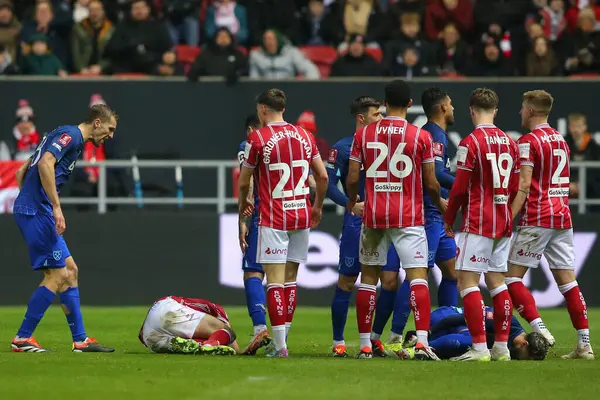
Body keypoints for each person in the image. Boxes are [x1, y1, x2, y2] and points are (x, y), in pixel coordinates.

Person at [346, 80, 445, 360]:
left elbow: (353, 177)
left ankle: (366, 344)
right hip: (408, 216)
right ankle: (423, 342)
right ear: (410, 104)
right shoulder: (420, 136)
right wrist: (439, 202)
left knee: (368, 279)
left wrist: (354, 201)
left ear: (384, 104)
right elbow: (431, 182)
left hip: (374, 213)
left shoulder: (364, 134)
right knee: (417, 277)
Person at [11, 104, 117, 353]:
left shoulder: (64, 135)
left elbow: (20, 171)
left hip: (36, 209)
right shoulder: (70, 137)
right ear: (98, 123)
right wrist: (52, 207)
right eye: (110, 129)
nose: (111, 135)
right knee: (57, 275)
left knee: (70, 271)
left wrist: (29, 199)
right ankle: (22, 338)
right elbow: (44, 164)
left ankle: (80, 340)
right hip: (38, 211)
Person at [238, 89, 328, 358]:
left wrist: (244, 204)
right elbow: (322, 177)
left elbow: (244, 181)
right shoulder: (305, 136)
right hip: (300, 213)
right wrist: (318, 206)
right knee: (291, 281)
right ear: (284, 109)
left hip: (273, 217)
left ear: (263, 109)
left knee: (275, 282)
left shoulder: (258, 138)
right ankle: (283, 339)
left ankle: (280, 347)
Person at [505, 90, 594, 360]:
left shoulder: (528, 142)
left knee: (510, 277)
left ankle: (539, 328)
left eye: (522, 108)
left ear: (531, 111)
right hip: (562, 216)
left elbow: (523, 185)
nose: (520, 112)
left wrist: (508, 218)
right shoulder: (561, 141)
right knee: (568, 282)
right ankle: (584, 344)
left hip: (537, 217)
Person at [443, 88, 520, 361]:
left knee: (467, 281)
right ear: (495, 111)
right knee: (498, 282)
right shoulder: (510, 143)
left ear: (471, 110)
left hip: (478, 222)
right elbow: (514, 187)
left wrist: (449, 217)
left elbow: (460, 188)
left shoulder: (470, 142)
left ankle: (478, 348)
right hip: (503, 221)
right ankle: (501, 347)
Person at [326, 96, 402, 358]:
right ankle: (338, 340)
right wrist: (351, 204)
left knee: (391, 281)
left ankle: (374, 337)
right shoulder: (343, 147)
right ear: (362, 117)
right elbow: (328, 185)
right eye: (377, 114)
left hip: (387, 222)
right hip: (357, 223)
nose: (382, 119)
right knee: (347, 281)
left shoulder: (388, 146)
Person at [386, 87, 458, 349]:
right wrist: (468, 184)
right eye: (450, 104)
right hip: (428, 214)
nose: (453, 108)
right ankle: (395, 335)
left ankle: (447, 322)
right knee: (419, 273)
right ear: (442, 107)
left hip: (438, 217)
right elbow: (437, 174)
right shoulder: (434, 135)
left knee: (452, 272)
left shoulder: (435, 134)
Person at [398, 306, 551, 361]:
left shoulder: (512, 345)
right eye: (527, 357)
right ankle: (419, 347)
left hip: (455, 329)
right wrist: (429, 332)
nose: (523, 360)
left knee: (475, 345)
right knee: (472, 342)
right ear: (524, 344)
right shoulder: (506, 322)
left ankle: (416, 340)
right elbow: (459, 318)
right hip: (446, 318)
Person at [237, 113, 271, 352]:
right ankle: (281, 340)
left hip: (265, 214)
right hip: (294, 214)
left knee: (253, 273)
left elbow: (247, 183)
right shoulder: (291, 140)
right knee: (283, 278)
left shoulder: (250, 144)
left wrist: (244, 218)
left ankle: (260, 328)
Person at [138, 295, 270, 355]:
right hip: (167, 310)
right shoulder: (216, 309)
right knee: (228, 332)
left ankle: (196, 344)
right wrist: (245, 351)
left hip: (148, 336)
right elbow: (231, 342)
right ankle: (208, 344)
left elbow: (141, 335)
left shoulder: (193, 306)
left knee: (193, 343)